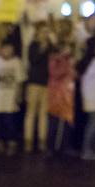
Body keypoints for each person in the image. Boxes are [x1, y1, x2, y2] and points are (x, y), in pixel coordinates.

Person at [0, 40, 24, 156]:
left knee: (10, 122)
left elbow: (20, 80)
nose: (8, 52)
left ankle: (12, 143)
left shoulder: (16, 62)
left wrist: (19, 95)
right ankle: (0, 143)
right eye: (5, 48)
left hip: (10, 98)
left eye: (10, 49)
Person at [24, 22, 53, 153]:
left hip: (46, 83)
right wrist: (42, 48)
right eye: (43, 32)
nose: (45, 35)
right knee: (31, 112)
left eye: (47, 32)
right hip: (34, 82)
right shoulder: (33, 45)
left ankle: (42, 140)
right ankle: (28, 140)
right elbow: (33, 60)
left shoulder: (51, 46)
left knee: (43, 113)